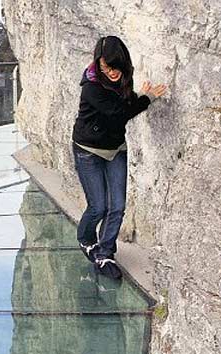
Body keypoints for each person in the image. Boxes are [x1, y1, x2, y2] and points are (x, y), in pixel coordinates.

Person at [72, 36, 167, 278]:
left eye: (115, 67)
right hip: (88, 150)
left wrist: (137, 98)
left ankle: (104, 254)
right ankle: (85, 238)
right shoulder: (91, 87)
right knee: (98, 207)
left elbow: (124, 103)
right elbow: (118, 112)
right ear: (99, 66)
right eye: (106, 68)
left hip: (115, 148)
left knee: (118, 207)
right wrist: (145, 99)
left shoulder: (125, 77)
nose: (111, 73)